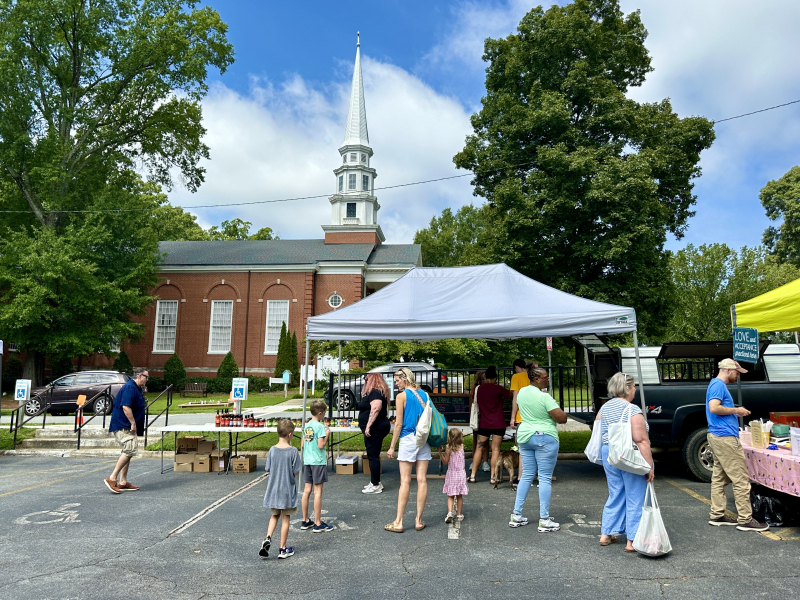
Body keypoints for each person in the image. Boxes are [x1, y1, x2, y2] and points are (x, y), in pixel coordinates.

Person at [706, 359, 768, 531]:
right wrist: (737, 410)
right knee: (740, 479)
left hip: (717, 435)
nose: (738, 376)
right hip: (725, 437)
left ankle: (717, 514)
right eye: (737, 372)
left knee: (719, 477)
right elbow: (713, 407)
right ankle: (745, 519)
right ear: (728, 370)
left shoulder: (715, 384)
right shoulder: (719, 385)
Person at [596, 373, 654, 551]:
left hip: (609, 453)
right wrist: (649, 466)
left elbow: (599, 428)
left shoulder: (604, 408)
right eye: (634, 386)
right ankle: (632, 540)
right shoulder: (632, 410)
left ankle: (606, 533)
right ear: (627, 388)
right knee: (635, 495)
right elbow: (641, 440)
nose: (635, 389)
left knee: (616, 492)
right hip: (629, 454)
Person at [509, 367, 567, 531]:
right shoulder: (545, 397)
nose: (548, 379)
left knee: (526, 475)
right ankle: (544, 519)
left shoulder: (522, 393)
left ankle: (516, 515)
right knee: (545, 478)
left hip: (525, 436)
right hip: (545, 437)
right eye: (545, 377)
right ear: (536, 379)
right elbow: (562, 418)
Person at [385, 367, 431, 532]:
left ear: (405, 379)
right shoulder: (425, 395)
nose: (396, 384)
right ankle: (419, 520)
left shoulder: (401, 396)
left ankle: (399, 522)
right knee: (422, 480)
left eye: (397, 380)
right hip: (423, 439)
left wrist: (392, 446)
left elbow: (398, 423)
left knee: (405, 480)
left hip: (408, 438)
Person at [260, 419, 301, 559]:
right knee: (285, 519)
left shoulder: (272, 450)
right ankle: (282, 548)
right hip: (287, 491)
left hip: (274, 490)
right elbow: (296, 471)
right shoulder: (293, 451)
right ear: (290, 435)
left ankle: (268, 537)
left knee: (274, 516)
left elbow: (268, 468)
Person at [105, 368, 148, 494]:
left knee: (128, 451)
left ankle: (123, 482)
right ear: (139, 376)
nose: (147, 379)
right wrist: (133, 423)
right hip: (123, 425)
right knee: (129, 449)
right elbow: (126, 407)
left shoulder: (136, 388)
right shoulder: (130, 387)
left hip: (127, 425)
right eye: (146, 377)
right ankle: (112, 478)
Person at [469, 366, 512, 485]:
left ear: (485, 377)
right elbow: (509, 395)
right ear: (495, 378)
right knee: (496, 449)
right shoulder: (498, 389)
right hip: (498, 423)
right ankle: (493, 476)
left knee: (479, 448)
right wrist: (500, 400)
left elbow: (474, 399)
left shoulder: (479, 389)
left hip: (484, 423)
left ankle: (472, 475)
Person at [300, 400, 334, 533]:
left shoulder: (307, 426)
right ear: (320, 413)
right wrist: (327, 435)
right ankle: (318, 523)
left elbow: (303, 444)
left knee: (306, 490)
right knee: (318, 492)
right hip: (318, 461)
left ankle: (305, 519)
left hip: (307, 460)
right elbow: (321, 445)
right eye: (324, 413)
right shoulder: (320, 427)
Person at [359, 373, 392, 494]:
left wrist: (368, 426)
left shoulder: (375, 391)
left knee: (372, 455)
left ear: (373, 379)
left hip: (376, 427)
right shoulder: (378, 391)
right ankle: (374, 481)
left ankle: (375, 485)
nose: (365, 381)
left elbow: (376, 408)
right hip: (378, 426)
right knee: (373, 454)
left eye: (367, 379)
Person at [439, 427, 469, 523]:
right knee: (459, 496)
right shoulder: (462, 447)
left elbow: (445, 462)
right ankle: (459, 514)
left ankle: (449, 513)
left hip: (452, 473)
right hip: (461, 474)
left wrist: (440, 452)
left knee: (450, 495)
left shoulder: (448, 448)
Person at [509, 358, 530, 483]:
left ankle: (521, 476)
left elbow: (515, 397)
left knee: (522, 448)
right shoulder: (532, 376)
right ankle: (534, 474)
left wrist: (512, 417)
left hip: (521, 416)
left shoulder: (516, 377)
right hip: (533, 416)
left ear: (516, 367)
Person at [467, 369, 488, 474]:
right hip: (478, 415)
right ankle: (475, 461)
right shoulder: (475, 388)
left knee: (486, 440)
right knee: (476, 439)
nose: (485, 380)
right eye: (483, 378)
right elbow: (473, 403)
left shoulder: (487, 387)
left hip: (485, 415)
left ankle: (485, 461)